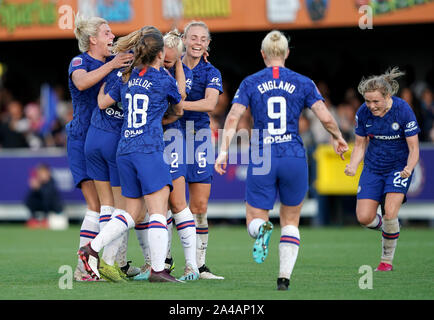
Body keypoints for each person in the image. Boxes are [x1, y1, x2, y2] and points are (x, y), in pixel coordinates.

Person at [214, 30, 348, 290]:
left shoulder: (251, 82)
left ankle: (262, 229)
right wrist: (337, 137)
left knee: (254, 217)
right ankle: (284, 277)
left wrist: (223, 150)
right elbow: (325, 116)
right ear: (286, 53)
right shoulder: (303, 82)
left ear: (263, 54)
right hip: (294, 155)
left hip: (263, 154)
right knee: (291, 220)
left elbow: (232, 117)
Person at [78, 26, 185, 283]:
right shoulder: (164, 79)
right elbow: (179, 106)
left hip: (124, 147)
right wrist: (178, 66)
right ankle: (159, 269)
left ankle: (91, 247)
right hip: (147, 148)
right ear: (160, 54)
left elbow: (103, 101)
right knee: (158, 209)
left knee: (131, 210)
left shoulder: (126, 75)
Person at [67, 13, 133, 281]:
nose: (112, 37)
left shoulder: (110, 61)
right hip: (82, 138)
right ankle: (85, 268)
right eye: (107, 33)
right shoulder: (80, 60)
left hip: (105, 136)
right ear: (92, 39)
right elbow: (82, 82)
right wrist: (113, 64)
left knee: (112, 205)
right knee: (96, 205)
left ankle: (108, 264)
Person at [344, 67, 420, 272]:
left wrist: (409, 167)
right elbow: (360, 145)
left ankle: (386, 261)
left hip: (398, 168)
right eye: (367, 101)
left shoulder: (403, 110)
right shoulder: (363, 113)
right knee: (364, 218)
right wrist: (353, 165)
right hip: (373, 168)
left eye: (375, 101)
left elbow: (414, 148)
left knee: (390, 213)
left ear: (387, 96)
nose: (371, 105)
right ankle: (390, 228)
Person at [179, 20, 224, 280]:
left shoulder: (212, 71)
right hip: (171, 136)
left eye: (203, 39)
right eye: (193, 37)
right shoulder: (170, 66)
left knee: (199, 205)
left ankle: (200, 265)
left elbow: (210, 104)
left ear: (208, 44)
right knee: (171, 204)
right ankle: (166, 262)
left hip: (199, 137)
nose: (198, 43)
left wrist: (179, 105)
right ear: (184, 39)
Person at [24, 163, 64, 229]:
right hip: (40, 211)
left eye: (42, 172)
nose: (41, 175)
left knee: (47, 200)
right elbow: (29, 200)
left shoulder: (51, 182)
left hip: (53, 212)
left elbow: (48, 197)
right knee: (31, 200)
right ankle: (35, 219)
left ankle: (44, 221)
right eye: (39, 173)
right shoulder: (38, 183)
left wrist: (39, 189)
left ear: (48, 173)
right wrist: (35, 189)